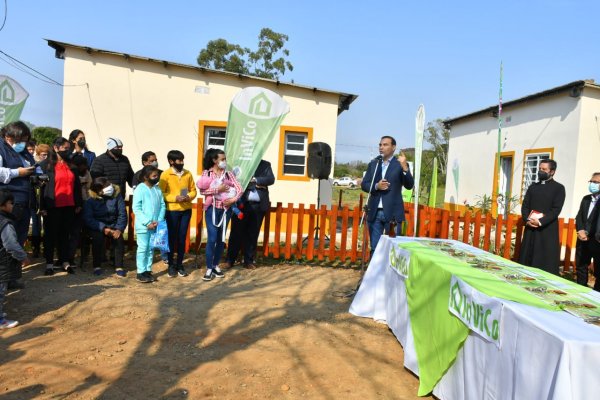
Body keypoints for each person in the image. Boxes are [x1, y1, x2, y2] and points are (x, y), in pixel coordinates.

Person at [361, 136, 413, 256]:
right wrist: (376, 186)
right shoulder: (374, 164)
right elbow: (364, 184)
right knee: (375, 247)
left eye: (385, 145)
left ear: (393, 147)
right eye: (380, 145)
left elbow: (409, 185)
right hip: (374, 212)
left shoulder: (400, 164)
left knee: (394, 248)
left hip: (393, 213)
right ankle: (374, 273)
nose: (381, 147)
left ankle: (390, 274)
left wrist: (405, 167)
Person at [39, 137, 82, 275]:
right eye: (64, 148)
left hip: (69, 205)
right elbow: (41, 189)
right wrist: (42, 207)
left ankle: (65, 261)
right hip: (52, 206)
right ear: (56, 148)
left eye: (68, 148)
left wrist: (78, 203)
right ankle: (49, 263)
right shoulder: (45, 165)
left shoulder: (72, 165)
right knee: (50, 235)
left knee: (65, 235)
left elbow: (77, 186)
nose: (67, 150)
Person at [197, 148, 242, 281]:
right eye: (222, 159)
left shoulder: (229, 174)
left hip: (226, 210)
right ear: (214, 160)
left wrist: (233, 199)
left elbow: (239, 188)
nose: (224, 161)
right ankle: (209, 267)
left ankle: (216, 265)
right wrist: (218, 189)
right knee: (212, 238)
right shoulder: (207, 173)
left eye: (225, 159)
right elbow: (202, 191)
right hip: (212, 209)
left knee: (221, 239)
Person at [518, 159, 566, 275]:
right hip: (531, 228)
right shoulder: (533, 187)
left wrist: (540, 221)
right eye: (540, 169)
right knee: (527, 259)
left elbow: (556, 210)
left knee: (544, 261)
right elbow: (525, 206)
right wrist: (527, 220)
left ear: (552, 172)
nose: (540, 171)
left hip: (546, 229)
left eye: (544, 169)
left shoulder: (559, 188)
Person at [226, 160, 275, 269]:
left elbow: (270, 179)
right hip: (241, 205)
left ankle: (248, 260)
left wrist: (255, 180)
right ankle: (230, 260)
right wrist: (259, 185)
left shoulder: (265, 164)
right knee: (236, 232)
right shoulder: (241, 162)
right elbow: (234, 179)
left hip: (258, 206)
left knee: (253, 233)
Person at [159, 150, 197, 278]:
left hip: (186, 210)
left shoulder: (188, 174)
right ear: (171, 161)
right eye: (179, 160)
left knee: (182, 238)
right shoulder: (165, 175)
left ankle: (180, 264)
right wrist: (175, 198)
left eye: (182, 160)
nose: (181, 162)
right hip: (172, 211)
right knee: (171, 238)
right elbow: (161, 193)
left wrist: (188, 197)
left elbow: (193, 190)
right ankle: (170, 264)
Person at [0, 121, 36, 246]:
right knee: (8, 240)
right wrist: (18, 172)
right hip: (8, 202)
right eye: (20, 140)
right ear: (8, 137)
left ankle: (16, 265)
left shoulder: (24, 152)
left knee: (20, 237)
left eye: (25, 141)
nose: (23, 144)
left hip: (25, 202)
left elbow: (33, 166)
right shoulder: (1, 148)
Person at [83, 177, 127, 277]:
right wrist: (103, 228)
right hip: (98, 226)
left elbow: (122, 214)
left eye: (108, 183)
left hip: (114, 225)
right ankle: (97, 266)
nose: (110, 186)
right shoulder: (90, 201)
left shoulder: (117, 196)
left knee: (118, 239)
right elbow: (88, 218)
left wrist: (119, 228)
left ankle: (119, 266)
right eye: (106, 186)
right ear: (98, 190)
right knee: (97, 239)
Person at [0, 190, 29, 329]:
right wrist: (23, 257)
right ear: (3, 205)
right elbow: (10, 244)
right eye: (11, 203)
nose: (12, 206)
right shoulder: (5, 223)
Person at [132, 165, 165, 283]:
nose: (157, 178)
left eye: (157, 175)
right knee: (143, 248)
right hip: (143, 226)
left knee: (151, 249)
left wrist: (159, 220)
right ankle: (140, 272)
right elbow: (137, 208)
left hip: (155, 225)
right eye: (154, 176)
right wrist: (147, 222)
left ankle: (147, 270)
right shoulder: (140, 189)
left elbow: (162, 205)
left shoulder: (157, 189)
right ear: (146, 177)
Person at [575, 173, 600, 290]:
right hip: (583, 238)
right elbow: (579, 216)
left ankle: (596, 294)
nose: (592, 184)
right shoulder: (586, 199)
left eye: (595, 182)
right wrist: (580, 230)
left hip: (597, 240)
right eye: (591, 181)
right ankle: (581, 290)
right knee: (581, 266)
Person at [68, 154, 93, 266]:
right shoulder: (71, 174)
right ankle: (69, 257)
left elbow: (90, 188)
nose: (84, 168)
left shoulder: (87, 174)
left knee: (85, 233)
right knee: (73, 233)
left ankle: (85, 255)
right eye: (82, 166)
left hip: (86, 203)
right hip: (72, 206)